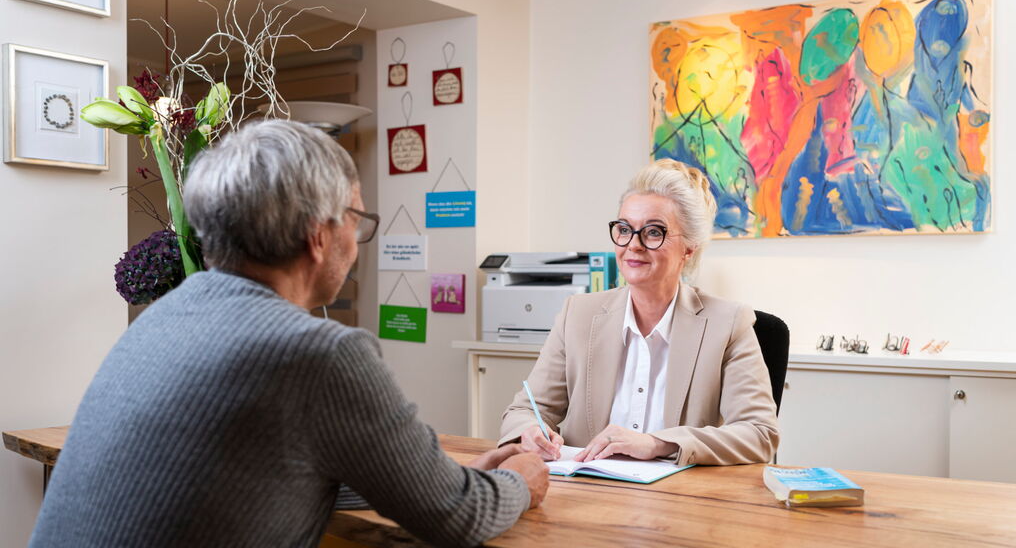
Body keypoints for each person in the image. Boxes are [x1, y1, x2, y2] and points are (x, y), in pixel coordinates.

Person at [30, 120, 548, 548]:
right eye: (356, 219)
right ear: (318, 235)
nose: (357, 242)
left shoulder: (164, 317)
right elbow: (456, 517)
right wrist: (519, 481)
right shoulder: (320, 352)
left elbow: (260, 473)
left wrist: (442, 477)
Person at [499, 159, 778, 466]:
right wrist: (530, 432)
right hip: (586, 488)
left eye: (653, 232)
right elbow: (525, 410)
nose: (633, 244)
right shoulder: (577, 315)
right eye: (624, 229)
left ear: (689, 248)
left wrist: (657, 444)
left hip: (679, 492)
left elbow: (759, 433)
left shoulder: (728, 324)